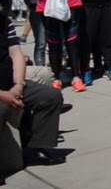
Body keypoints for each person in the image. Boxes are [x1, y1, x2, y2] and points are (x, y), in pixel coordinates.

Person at [1, 13, 68, 167]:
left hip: (10, 84)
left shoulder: (3, 20)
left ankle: (35, 148)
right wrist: (3, 95)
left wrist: (18, 84)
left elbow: (16, 53)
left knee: (50, 96)